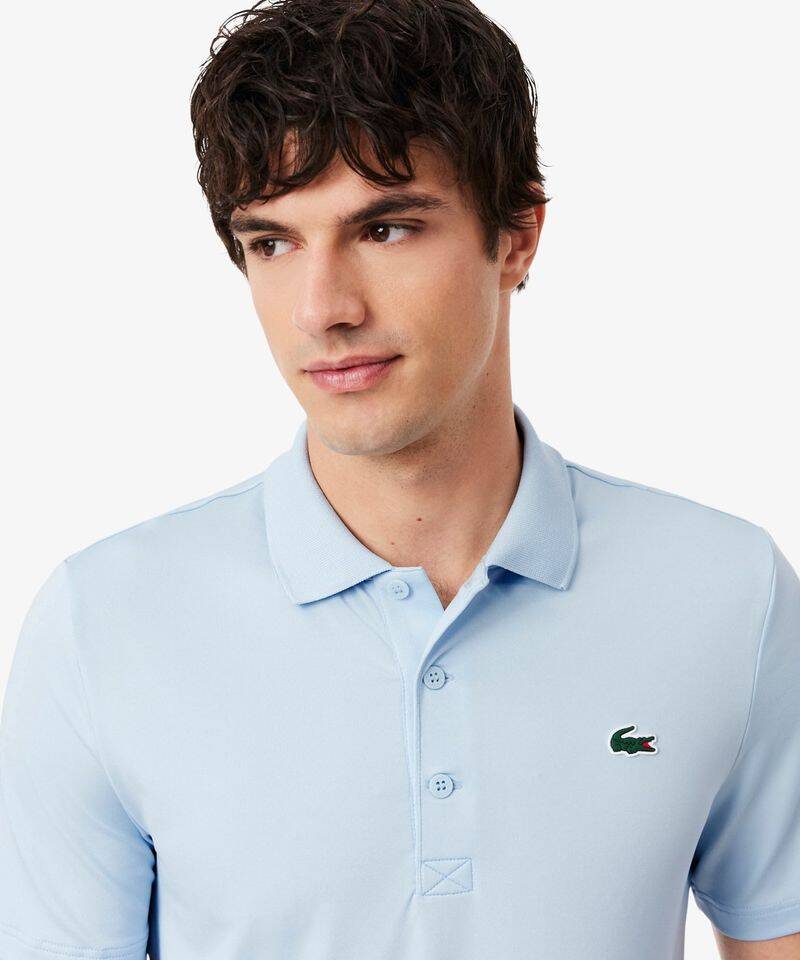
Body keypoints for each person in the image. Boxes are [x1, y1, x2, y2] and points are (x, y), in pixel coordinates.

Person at [1, 1, 798, 958]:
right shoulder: (104, 625)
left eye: (383, 229)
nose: (322, 309)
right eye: (273, 243)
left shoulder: (726, 591)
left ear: (518, 234)